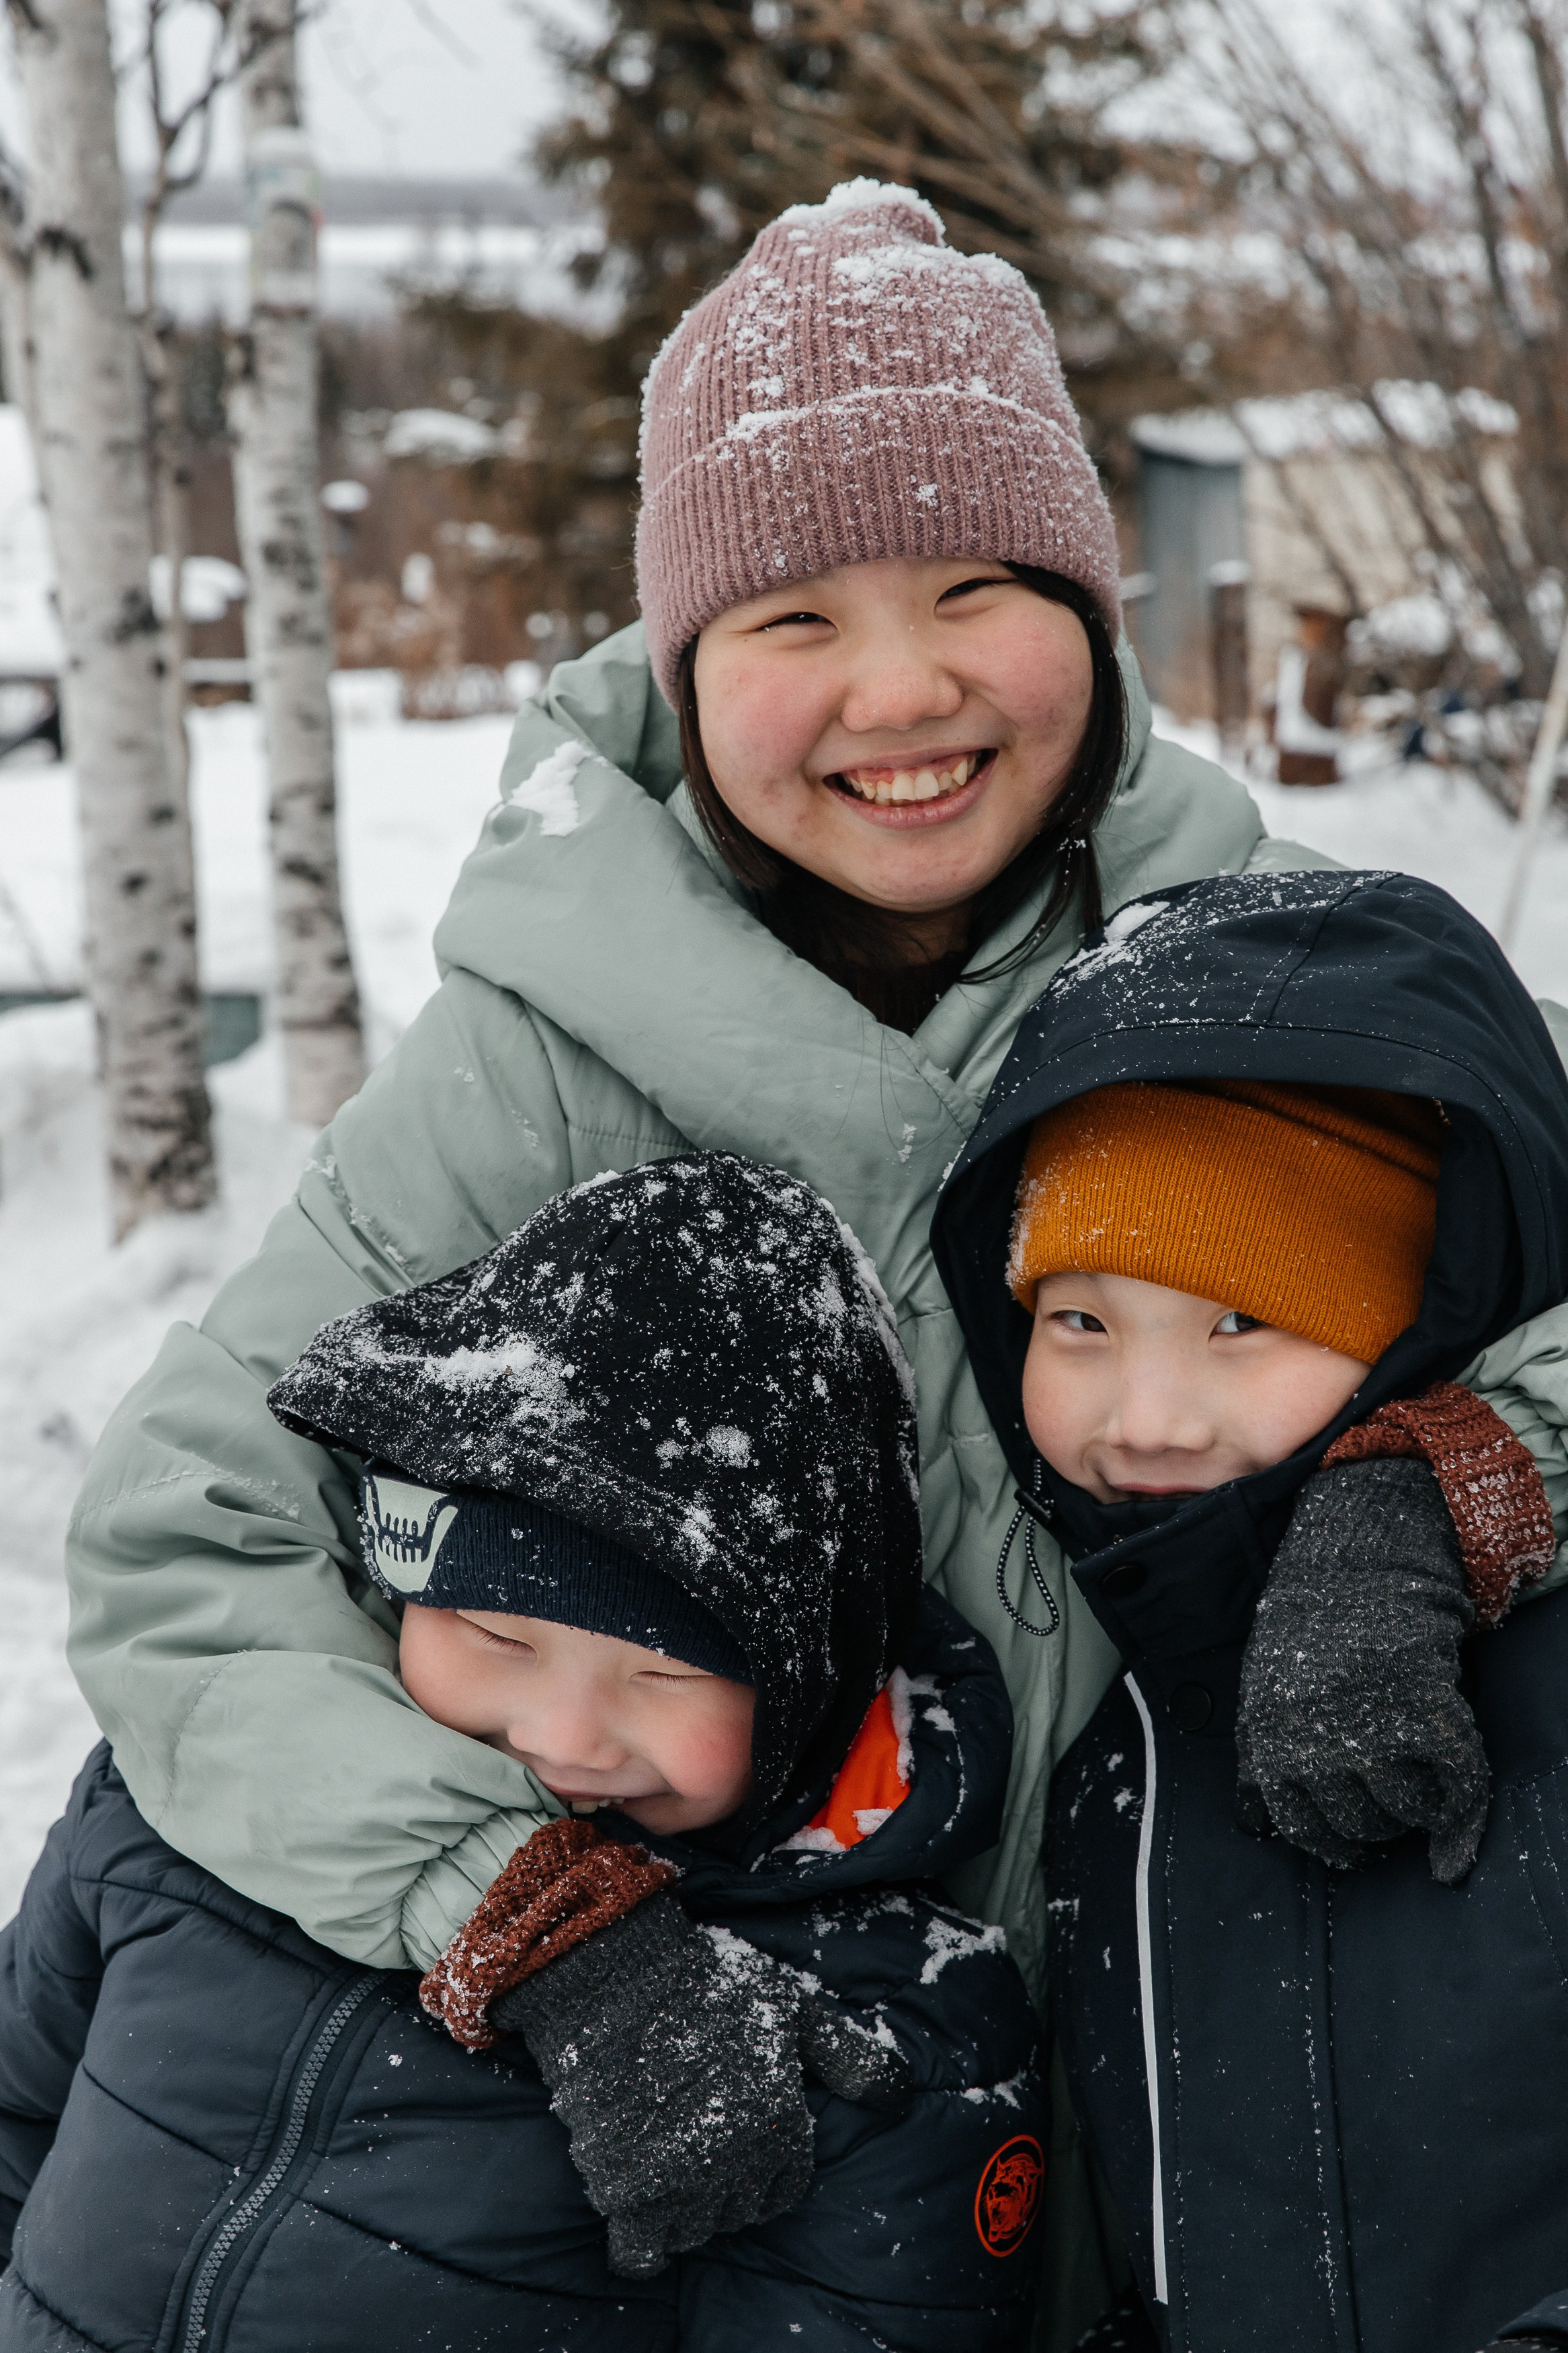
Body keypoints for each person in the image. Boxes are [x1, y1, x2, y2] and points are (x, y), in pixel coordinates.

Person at [57, 180, 1568, 2346]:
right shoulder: (538, 1062)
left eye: (973, 588)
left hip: (1250, 2170)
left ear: (1091, 610)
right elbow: (188, 1538)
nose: (898, 687)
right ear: (685, 671)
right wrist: (515, 1899)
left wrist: (1462, 1470)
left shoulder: (1277, 978)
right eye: (789, 618)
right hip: (784, 2203)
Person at [0, 1154, 1048, 2348]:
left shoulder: (879, 2029)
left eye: (665, 1674)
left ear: (810, 1690)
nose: (559, 1737)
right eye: (497, 1637)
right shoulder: (190, 1815)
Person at [932, 869, 1568, 2353]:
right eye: (1078, 1322)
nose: (1145, 1419)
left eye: (1242, 1323)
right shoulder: (1107, 1727)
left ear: (1423, 1321)